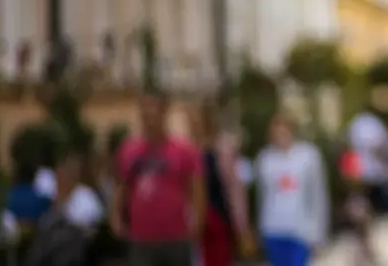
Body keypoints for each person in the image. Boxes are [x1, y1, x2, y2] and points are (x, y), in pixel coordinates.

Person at [111, 90, 205, 266]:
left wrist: (197, 224)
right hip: (141, 237)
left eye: (153, 108)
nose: (149, 114)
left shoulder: (183, 150)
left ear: (163, 111)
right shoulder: (128, 150)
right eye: (144, 109)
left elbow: (196, 188)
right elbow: (121, 185)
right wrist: (116, 215)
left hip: (175, 236)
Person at [188, 101, 256, 266]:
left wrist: (242, 226)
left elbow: (235, 191)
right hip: (195, 219)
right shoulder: (186, 150)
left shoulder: (223, 150)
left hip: (219, 216)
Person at [256, 112, 329, 266]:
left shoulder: (308, 156)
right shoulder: (265, 159)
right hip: (273, 228)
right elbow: (262, 197)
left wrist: (319, 233)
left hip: (300, 229)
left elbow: (317, 195)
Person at [23, 152, 104, 266]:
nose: (60, 179)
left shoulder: (86, 196)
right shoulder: (53, 194)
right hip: (52, 246)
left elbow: (90, 227)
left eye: (64, 174)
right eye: (58, 174)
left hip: (76, 248)